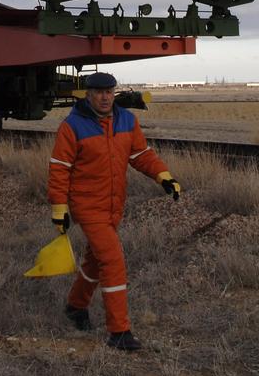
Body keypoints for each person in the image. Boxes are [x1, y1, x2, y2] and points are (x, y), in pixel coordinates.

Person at [47, 71, 181, 352]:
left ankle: (75, 306)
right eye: (99, 92)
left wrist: (164, 177)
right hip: (88, 206)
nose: (105, 97)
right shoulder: (72, 126)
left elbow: (141, 155)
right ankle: (119, 331)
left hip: (114, 204)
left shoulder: (126, 121)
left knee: (96, 261)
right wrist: (59, 207)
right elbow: (59, 168)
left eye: (110, 91)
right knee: (113, 261)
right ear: (88, 94)